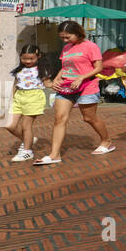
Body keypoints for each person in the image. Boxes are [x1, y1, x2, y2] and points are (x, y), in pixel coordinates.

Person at [36, 21, 113, 165]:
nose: (65, 40)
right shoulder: (66, 48)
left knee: (89, 118)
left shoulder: (91, 46)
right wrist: (57, 79)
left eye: (68, 37)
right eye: (62, 38)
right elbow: (65, 67)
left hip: (87, 85)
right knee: (59, 118)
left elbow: (99, 67)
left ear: (78, 33)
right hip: (67, 87)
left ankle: (106, 141)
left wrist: (82, 77)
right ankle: (54, 154)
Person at [4, 46, 49, 162]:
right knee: (9, 125)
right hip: (19, 97)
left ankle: (27, 151)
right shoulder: (18, 70)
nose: (28, 61)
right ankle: (29, 139)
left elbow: (48, 83)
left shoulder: (41, 69)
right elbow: (15, 84)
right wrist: (11, 99)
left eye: (31, 58)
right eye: (25, 58)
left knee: (26, 126)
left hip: (34, 97)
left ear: (38, 56)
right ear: (20, 57)